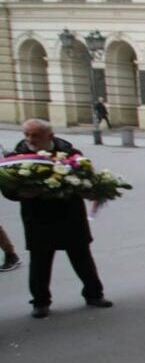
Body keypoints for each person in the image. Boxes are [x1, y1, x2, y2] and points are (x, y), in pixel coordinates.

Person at [2, 119, 112, 319]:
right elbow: (8, 188)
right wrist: (21, 194)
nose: (30, 139)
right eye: (27, 135)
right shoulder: (16, 158)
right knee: (40, 261)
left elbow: (86, 178)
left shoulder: (70, 154)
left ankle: (94, 294)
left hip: (69, 214)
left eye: (36, 135)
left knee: (81, 256)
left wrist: (89, 190)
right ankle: (40, 302)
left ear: (50, 136)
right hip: (37, 217)